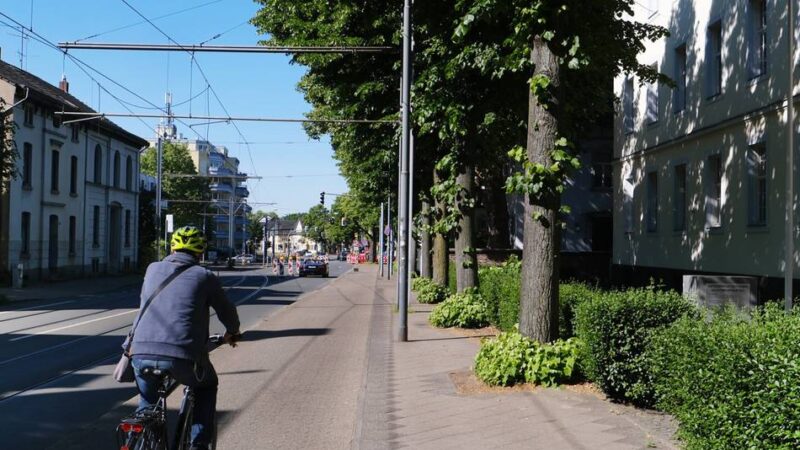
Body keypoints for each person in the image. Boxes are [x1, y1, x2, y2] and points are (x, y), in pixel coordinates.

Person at [125, 226, 241, 450]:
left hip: (139, 353)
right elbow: (227, 311)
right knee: (206, 385)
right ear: (200, 253)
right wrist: (233, 332)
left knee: (148, 403)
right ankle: (198, 445)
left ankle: (141, 440)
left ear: (172, 247)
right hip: (183, 356)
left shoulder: (152, 269)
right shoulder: (205, 276)